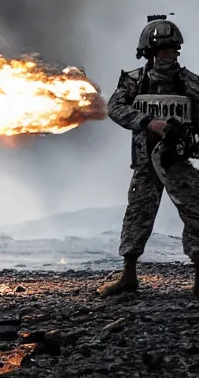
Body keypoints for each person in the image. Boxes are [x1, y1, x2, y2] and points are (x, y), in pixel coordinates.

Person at [99, 15, 199, 298]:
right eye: (161, 53)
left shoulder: (189, 83)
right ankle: (128, 276)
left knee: (196, 214)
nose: (166, 58)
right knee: (137, 215)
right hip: (146, 163)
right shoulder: (135, 82)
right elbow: (115, 108)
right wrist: (148, 122)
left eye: (170, 52)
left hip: (176, 162)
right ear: (149, 54)